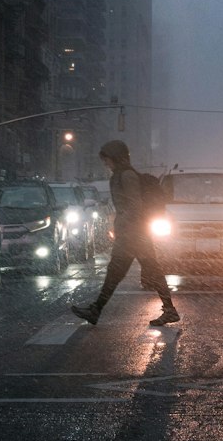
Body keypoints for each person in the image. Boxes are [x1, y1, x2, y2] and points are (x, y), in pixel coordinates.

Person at [71, 140, 180, 328]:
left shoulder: (127, 176)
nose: (106, 164)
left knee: (128, 272)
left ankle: (96, 310)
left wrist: (125, 228)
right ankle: (169, 310)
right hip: (133, 233)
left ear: (116, 157)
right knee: (128, 272)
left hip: (134, 234)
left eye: (107, 160)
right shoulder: (119, 175)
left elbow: (134, 205)